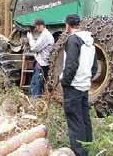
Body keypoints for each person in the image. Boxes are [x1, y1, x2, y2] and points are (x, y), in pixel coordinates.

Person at [60, 14, 98, 156]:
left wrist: (65, 82)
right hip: (84, 86)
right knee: (84, 119)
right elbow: (94, 67)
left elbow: (71, 64)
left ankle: (79, 153)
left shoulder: (73, 40)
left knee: (75, 121)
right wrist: (86, 79)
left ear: (68, 25)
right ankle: (88, 148)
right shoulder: (90, 42)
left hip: (74, 87)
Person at [27, 18, 54, 97]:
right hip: (41, 62)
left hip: (42, 63)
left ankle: (35, 103)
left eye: (36, 26)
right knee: (36, 83)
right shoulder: (44, 34)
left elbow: (35, 48)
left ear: (40, 26)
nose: (36, 28)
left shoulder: (45, 35)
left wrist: (30, 38)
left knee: (36, 84)